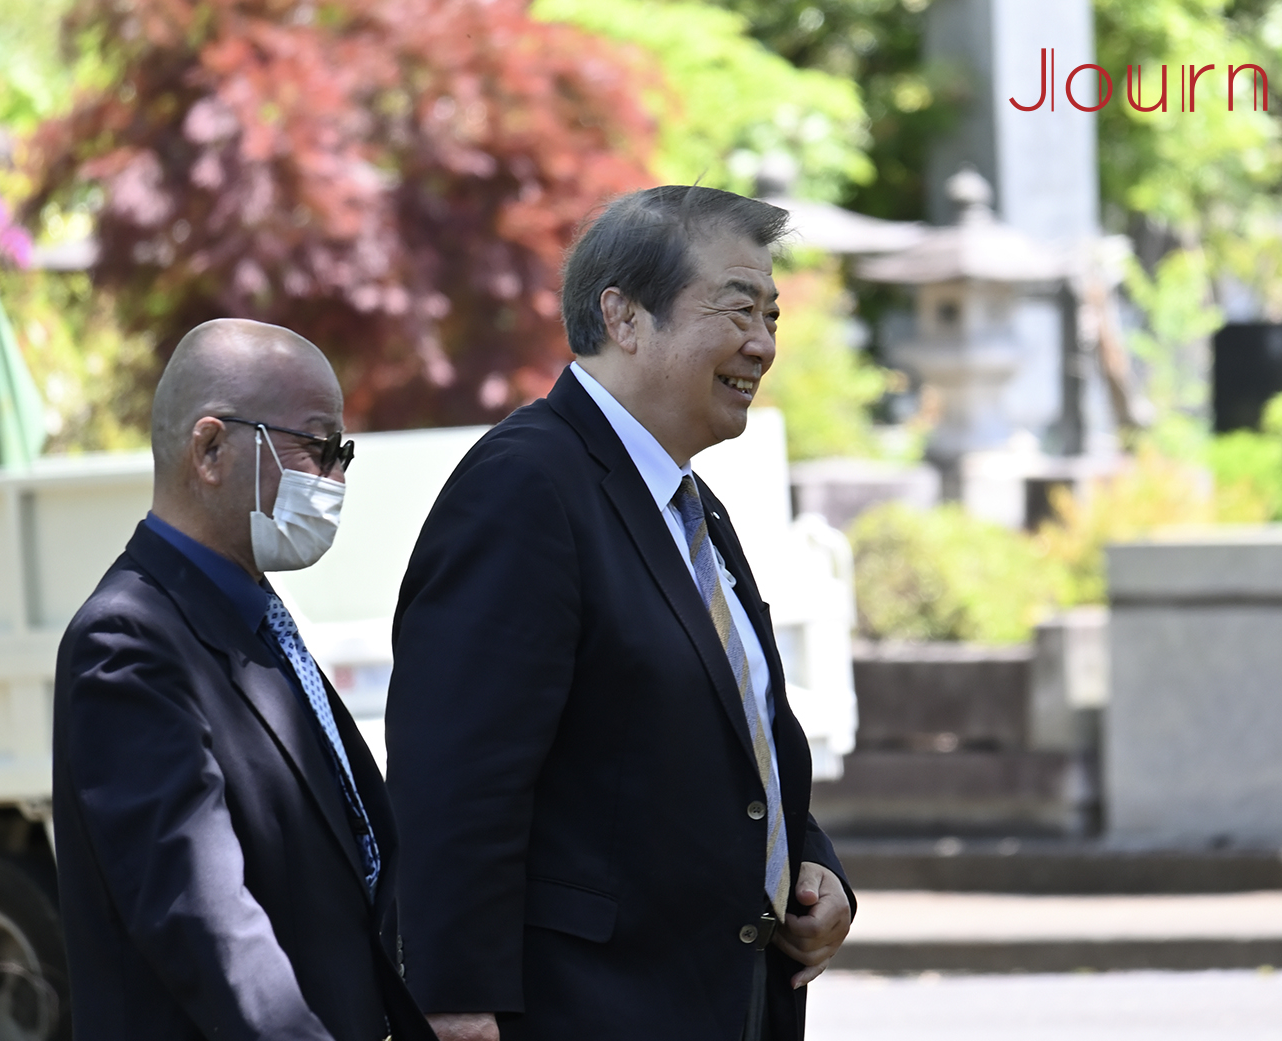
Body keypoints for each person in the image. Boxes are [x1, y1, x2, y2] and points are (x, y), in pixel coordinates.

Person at [386, 186, 854, 1041]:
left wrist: (814, 866)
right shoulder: (525, 488)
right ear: (624, 316)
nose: (762, 343)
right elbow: (458, 775)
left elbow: (743, 742)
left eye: (773, 316)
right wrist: (457, 1005)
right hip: (588, 1006)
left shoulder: (692, 504)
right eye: (739, 308)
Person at [52, 319, 434, 1041]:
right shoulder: (127, 641)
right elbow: (206, 922)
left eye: (342, 453)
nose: (335, 478)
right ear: (210, 448)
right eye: (318, 447)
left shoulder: (255, 617)